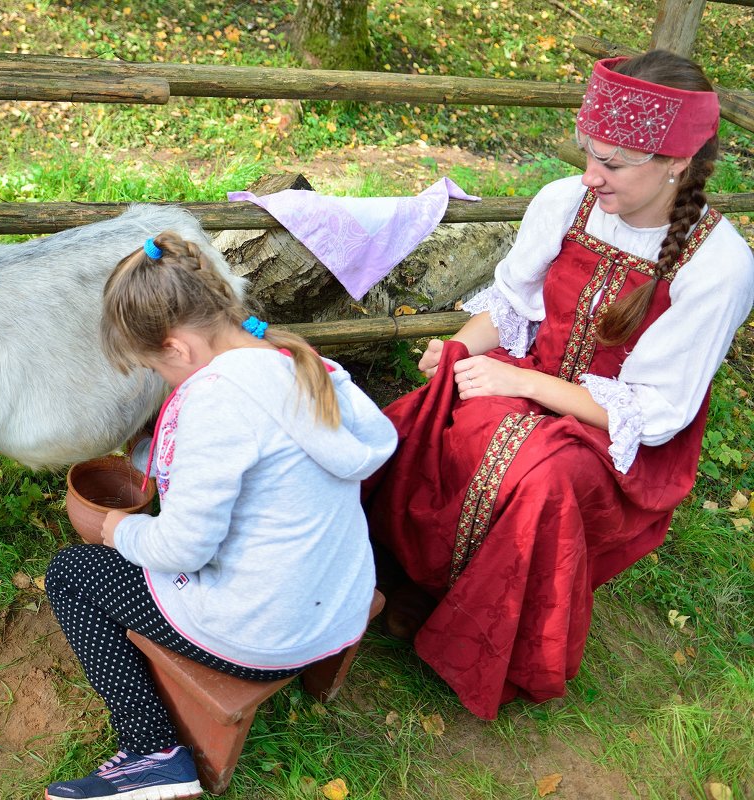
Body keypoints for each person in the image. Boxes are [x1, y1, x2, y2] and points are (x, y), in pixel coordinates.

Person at [363, 50, 754, 720]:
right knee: (417, 417)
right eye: (588, 154)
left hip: (613, 439)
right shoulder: (564, 202)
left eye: (614, 163)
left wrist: (517, 383)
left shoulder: (719, 265)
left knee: (539, 479)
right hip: (534, 380)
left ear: (675, 164)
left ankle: (475, 636)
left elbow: (653, 414)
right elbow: (512, 309)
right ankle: (391, 576)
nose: (591, 175)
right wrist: (459, 349)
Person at [43, 232, 397, 799]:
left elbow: (184, 548)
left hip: (261, 631)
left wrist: (115, 528)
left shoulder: (217, 399)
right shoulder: (299, 363)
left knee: (73, 574)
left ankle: (150, 753)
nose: (163, 381)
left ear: (178, 348)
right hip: (338, 602)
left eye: (155, 368)